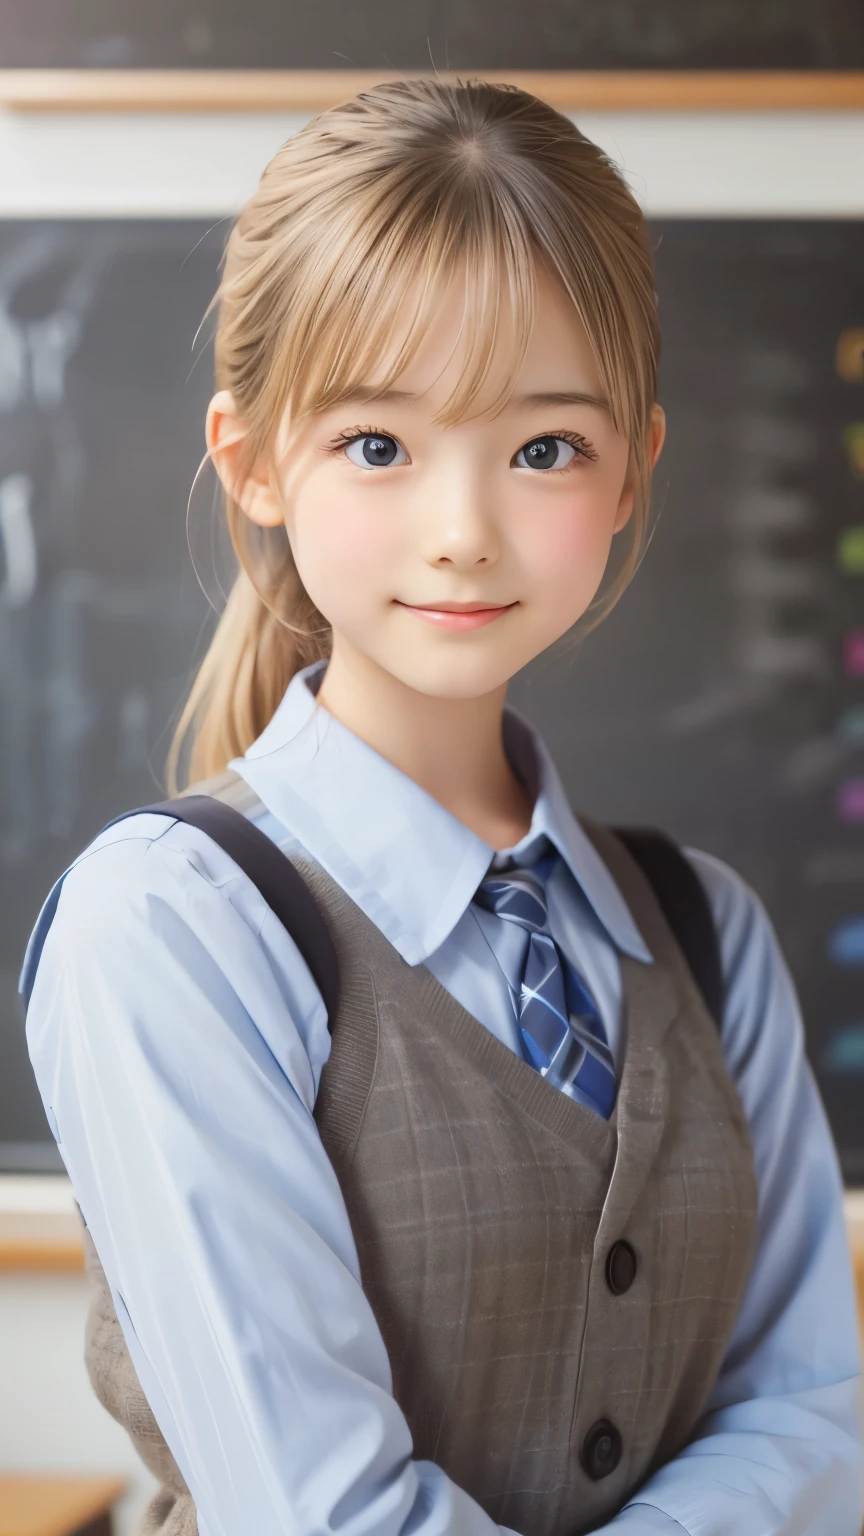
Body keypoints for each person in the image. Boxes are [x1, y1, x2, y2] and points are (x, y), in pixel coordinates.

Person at [20, 78, 862, 1536]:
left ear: (629, 471)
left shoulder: (708, 931)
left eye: (544, 449)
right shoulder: (169, 931)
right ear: (256, 461)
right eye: (377, 445)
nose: (464, 529)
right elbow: (320, 1514)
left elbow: (817, 1426)